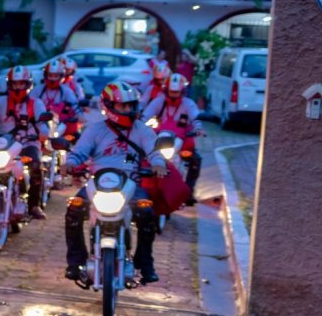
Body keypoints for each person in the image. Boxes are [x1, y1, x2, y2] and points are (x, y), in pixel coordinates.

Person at [62, 81, 167, 288]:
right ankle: (75, 263)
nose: (128, 110)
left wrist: (158, 164)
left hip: (130, 184)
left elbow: (155, 152)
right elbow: (80, 152)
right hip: (97, 183)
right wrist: (70, 164)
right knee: (73, 209)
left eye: (131, 105)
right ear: (109, 106)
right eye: (123, 106)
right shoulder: (95, 130)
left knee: (147, 214)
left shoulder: (142, 130)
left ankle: (145, 264)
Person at [0, 66, 48, 220]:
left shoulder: (36, 103)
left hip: (28, 143)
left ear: (27, 85)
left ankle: (34, 205)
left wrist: (44, 133)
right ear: (9, 85)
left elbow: (42, 122)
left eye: (21, 83)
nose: (18, 87)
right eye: (15, 84)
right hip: (5, 143)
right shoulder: (0, 102)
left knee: (35, 166)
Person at [141, 72, 205, 203]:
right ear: (166, 90)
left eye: (176, 92)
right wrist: (139, 126)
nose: (173, 95)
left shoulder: (189, 104)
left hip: (183, 138)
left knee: (194, 160)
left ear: (182, 91)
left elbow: (195, 117)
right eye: (171, 91)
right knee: (141, 156)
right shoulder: (158, 101)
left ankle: (188, 192)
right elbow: (145, 116)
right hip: (160, 137)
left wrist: (198, 128)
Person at [32, 58, 80, 139]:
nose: (53, 79)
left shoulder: (67, 91)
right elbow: (28, 104)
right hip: (39, 126)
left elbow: (75, 106)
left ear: (61, 76)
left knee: (77, 142)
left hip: (61, 126)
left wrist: (79, 115)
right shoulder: (37, 90)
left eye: (56, 76)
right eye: (50, 75)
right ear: (45, 75)